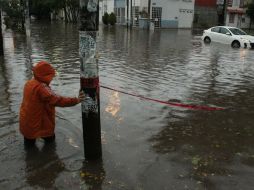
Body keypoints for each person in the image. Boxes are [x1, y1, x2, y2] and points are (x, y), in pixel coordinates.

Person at [19, 61, 84, 147]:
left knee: (29, 146)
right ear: (46, 76)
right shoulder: (42, 88)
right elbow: (57, 100)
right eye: (51, 76)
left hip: (26, 122)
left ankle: (32, 159)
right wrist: (76, 100)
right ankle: (51, 158)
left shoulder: (29, 83)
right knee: (50, 142)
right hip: (39, 123)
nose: (52, 78)